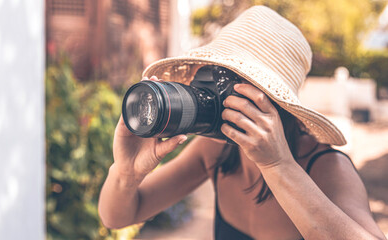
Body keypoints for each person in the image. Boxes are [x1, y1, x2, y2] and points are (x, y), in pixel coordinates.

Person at [98, 6, 386, 240]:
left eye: (230, 81)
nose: (212, 91)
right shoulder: (216, 151)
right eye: (211, 75)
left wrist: (278, 165)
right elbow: (117, 217)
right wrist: (126, 174)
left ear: (275, 100)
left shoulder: (327, 168)